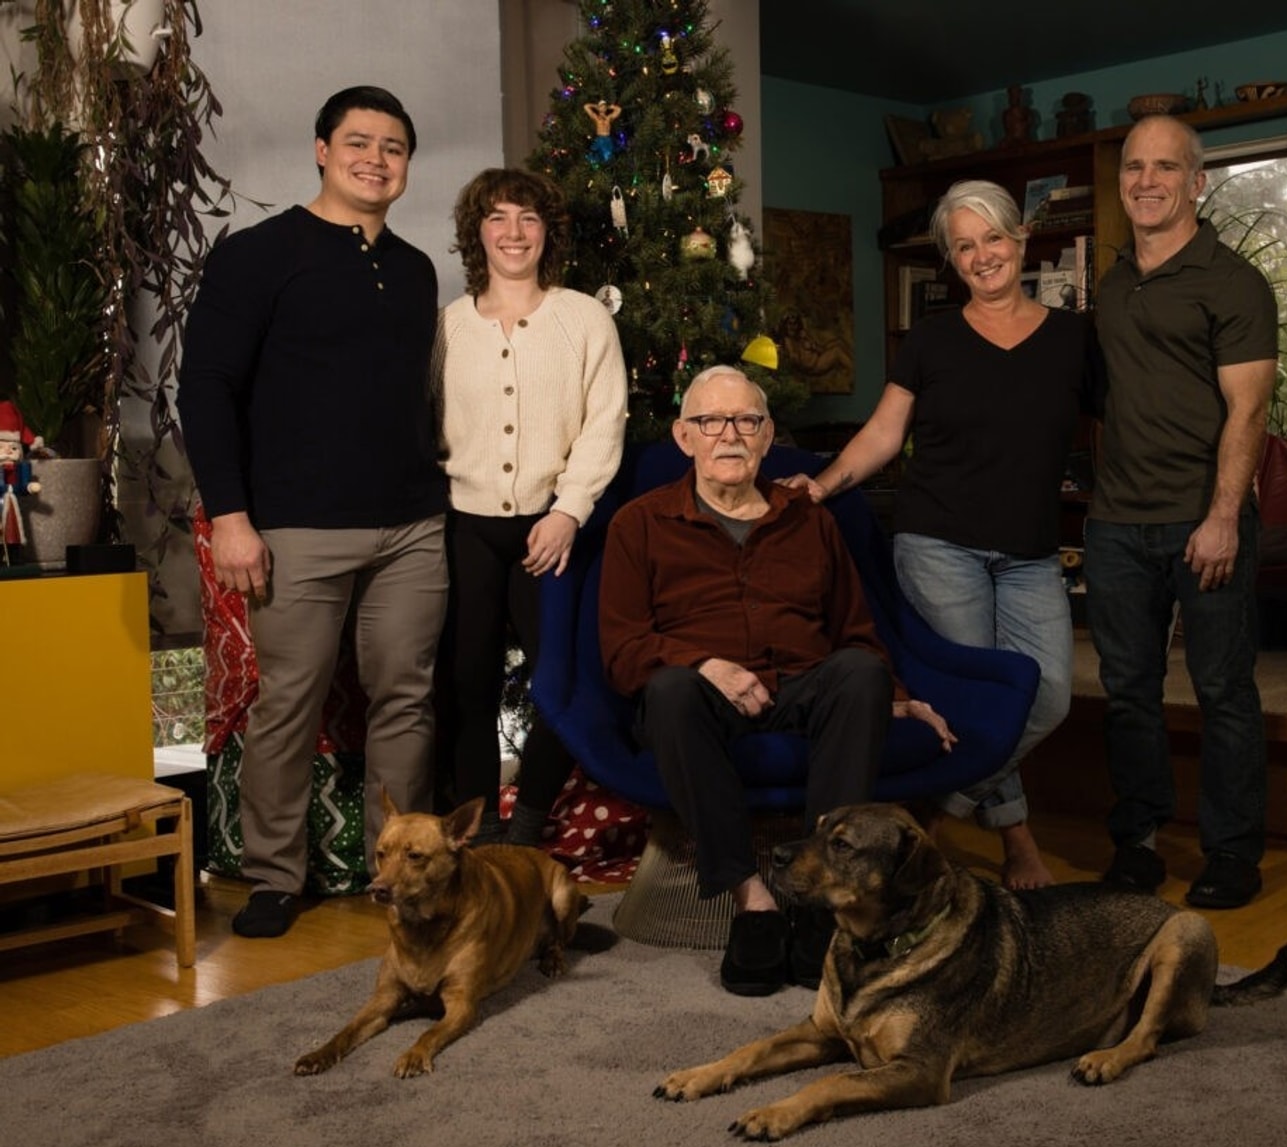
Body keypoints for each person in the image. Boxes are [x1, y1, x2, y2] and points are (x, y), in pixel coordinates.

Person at [178, 86, 449, 938]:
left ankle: (402, 873)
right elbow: (206, 387)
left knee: (404, 699)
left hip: (411, 523)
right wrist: (231, 516)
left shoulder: (414, 269)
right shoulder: (258, 254)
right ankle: (273, 878)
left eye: (394, 147)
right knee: (287, 699)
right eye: (359, 141)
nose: (377, 158)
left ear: (408, 164)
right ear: (322, 150)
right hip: (296, 526)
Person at [784, 179, 1102, 890]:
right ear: (952, 261)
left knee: (1046, 696)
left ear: (1021, 240)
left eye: (993, 238)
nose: (982, 255)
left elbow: (1126, 421)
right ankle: (1018, 847)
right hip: (938, 543)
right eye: (965, 245)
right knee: (976, 702)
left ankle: (925, 819)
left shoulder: (1075, 338)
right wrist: (825, 483)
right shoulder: (931, 340)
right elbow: (884, 434)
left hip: (1029, 552)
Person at [598, 365, 955, 996]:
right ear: (686, 437)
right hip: (700, 698)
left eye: (746, 421)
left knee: (859, 672)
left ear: (766, 438)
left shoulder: (807, 520)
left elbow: (854, 631)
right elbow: (623, 650)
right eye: (711, 422)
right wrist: (703, 663)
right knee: (671, 688)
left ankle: (817, 900)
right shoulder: (641, 523)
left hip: (801, 683)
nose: (729, 435)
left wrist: (896, 698)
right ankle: (753, 902)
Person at [1087, 115, 1277, 909]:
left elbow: (1250, 410)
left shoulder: (1232, 282)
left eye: (1166, 166)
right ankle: (1137, 841)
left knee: (1223, 689)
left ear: (1197, 182)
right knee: (1127, 690)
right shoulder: (1112, 281)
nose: (1146, 180)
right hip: (1115, 524)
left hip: (1204, 520)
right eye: (1134, 166)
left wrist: (1224, 515)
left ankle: (1232, 852)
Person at [432, 168, 627, 846]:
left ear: (548, 234)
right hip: (466, 528)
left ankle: (533, 820)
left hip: (555, 530)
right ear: (476, 232)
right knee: (466, 686)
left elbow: (606, 420)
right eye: (498, 218)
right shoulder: (447, 327)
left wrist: (570, 509)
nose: (513, 233)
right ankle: (475, 829)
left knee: (562, 687)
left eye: (528, 219)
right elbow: (425, 425)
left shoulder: (583, 318)